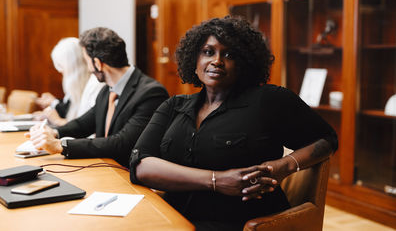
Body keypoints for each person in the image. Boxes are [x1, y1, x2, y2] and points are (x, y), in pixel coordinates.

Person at [129, 16, 338, 230]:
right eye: (208, 52)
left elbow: (327, 139)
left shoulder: (268, 101)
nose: (217, 61)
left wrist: (283, 166)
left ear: (244, 63)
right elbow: (141, 167)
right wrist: (216, 180)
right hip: (171, 219)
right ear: (194, 59)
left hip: (241, 224)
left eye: (229, 54)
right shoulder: (174, 106)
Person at [28, 27, 169, 167]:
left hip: (128, 176)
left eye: (86, 61)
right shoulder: (107, 89)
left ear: (97, 63)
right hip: (105, 167)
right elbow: (84, 124)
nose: (88, 68)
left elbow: (122, 143)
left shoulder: (151, 93)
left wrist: (61, 145)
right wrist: (54, 132)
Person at [34, 37, 104, 126]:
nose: (61, 72)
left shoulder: (94, 85)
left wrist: (57, 120)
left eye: (62, 67)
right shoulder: (81, 85)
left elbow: (85, 129)